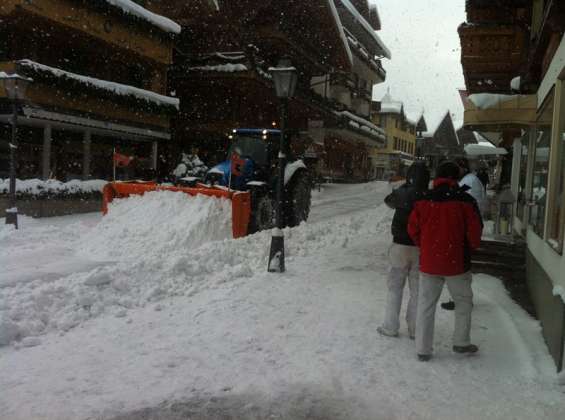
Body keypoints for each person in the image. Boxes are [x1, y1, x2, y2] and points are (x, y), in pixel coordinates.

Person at [408, 161, 483, 361]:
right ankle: (461, 342)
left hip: (429, 263)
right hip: (457, 264)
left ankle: (423, 349)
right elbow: (475, 234)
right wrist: (469, 248)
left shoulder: (423, 200)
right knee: (463, 302)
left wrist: (425, 245)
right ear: (455, 179)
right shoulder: (465, 201)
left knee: (426, 305)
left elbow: (412, 229)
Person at [377, 162, 430, 339]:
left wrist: (406, 187)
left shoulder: (402, 193)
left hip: (399, 246)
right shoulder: (429, 196)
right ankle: (415, 330)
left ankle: (390, 326)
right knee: (417, 291)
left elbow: (388, 202)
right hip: (420, 248)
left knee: (395, 288)